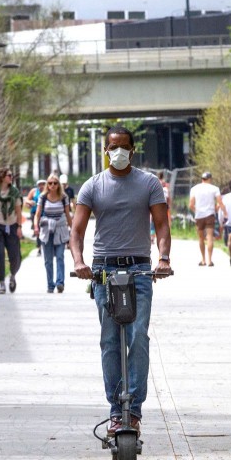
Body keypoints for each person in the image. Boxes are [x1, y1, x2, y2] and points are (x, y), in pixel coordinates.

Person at [69, 125, 171, 437]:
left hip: (139, 269)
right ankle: (116, 410)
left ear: (133, 149)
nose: (119, 152)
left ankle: (134, 410)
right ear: (106, 150)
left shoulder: (149, 183)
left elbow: (162, 226)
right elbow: (76, 231)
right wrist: (78, 262)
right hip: (103, 271)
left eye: (124, 147)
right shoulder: (93, 186)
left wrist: (164, 259)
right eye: (114, 147)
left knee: (138, 336)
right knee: (110, 340)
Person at [33, 172, 73, 293]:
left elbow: (67, 214)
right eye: (50, 183)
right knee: (48, 260)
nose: (52, 185)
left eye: (55, 183)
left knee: (60, 257)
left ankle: (60, 283)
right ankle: (50, 285)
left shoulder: (63, 197)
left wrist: (73, 231)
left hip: (60, 229)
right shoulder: (43, 197)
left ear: (58, 185)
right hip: (46, 229)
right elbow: (38, 213)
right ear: (47, 185)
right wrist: (36, 226)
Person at [188, 171, 226, 266]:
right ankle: (209, 260)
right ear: (210, 179)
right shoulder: (214, 188)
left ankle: (203, 259)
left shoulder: (194, 188)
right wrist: (223, 212)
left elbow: (191, 205)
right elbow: (220, 202)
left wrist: (197, 210)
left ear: (202, 179)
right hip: (210, 215)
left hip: (199, 215)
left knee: (201, 238)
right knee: (210, 237)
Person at [26, 179, 46, 256]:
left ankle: (46, 245)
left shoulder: (48, 192)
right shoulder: (34, 191)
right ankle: (39, 247)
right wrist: (30, 202)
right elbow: (27, 200)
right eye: (40, 184)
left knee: (44, 230)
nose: (41, 186)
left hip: (45, 214)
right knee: (37, 230)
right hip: (35, 214)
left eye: (43, 184)